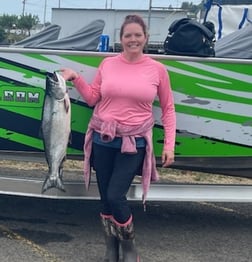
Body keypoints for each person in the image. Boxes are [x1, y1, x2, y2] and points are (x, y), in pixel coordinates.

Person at [61, 14, 176, 262]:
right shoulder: (108, 64)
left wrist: (169, 145)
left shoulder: (157, 69)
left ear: (145, 37)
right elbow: (93, 98)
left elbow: (168, 109)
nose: (132, 40)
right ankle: (111, 248)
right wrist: (76, 77)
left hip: (134, 143)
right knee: (104, 198)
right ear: (121, 38)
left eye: (137, 35)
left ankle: (130, 248)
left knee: (115, 195)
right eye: (127, 35)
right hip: (103, 139)